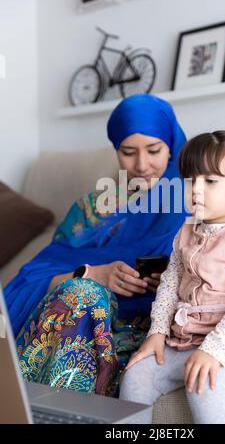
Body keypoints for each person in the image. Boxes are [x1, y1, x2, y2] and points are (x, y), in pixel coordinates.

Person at [4, 93, 188, 397]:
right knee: (82, 292)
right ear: (116, 151)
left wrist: (171, 283)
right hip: (78, 322)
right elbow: (28, 281)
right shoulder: (92, 210)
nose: (142, 165)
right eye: (128, 152)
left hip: (151, 331)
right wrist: (90, 273)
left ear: (171, 145)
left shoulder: (201, 201)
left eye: (154, 150)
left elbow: (224, 278)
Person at [119, 127, 225, 424]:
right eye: (191, 181)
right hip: (187, 339)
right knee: (136, 376)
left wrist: (213, 351)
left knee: (204, 382)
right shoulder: (186, 232)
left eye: (210, 181)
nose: (196, 190)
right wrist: (157, 333)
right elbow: (169, 285)